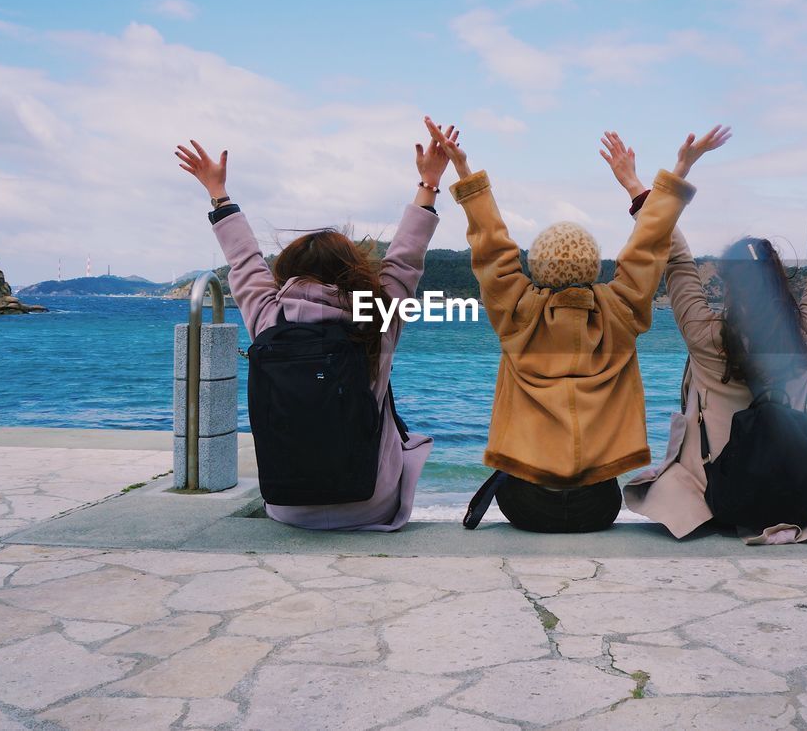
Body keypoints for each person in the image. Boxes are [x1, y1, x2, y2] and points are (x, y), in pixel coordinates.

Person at [606, 132, 807, 545]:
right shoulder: (804, 337)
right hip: (792, 493)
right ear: (778, 281)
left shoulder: (705, 336)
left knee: (675, 479)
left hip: (719, 496)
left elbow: (675, 256)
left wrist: (636, 185)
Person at [425, 117, 729, 533]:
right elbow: (650, 244)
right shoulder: (621, 308)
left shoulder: (516, 312)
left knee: (515, 478)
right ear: (592, 264)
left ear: (537, 266)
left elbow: (492, 247)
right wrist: (677, 172)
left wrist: (463, 172)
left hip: (526, 506)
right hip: (597, 508)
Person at [174, 126, 456, 530]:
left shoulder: (269, 318)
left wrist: (218, 193)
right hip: (369, 504)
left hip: (288, 507)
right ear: (354, 271)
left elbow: (245, 261)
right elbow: (405, 260)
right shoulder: (374, 318)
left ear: (288, 271)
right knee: (406, 441)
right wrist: (429, 183)